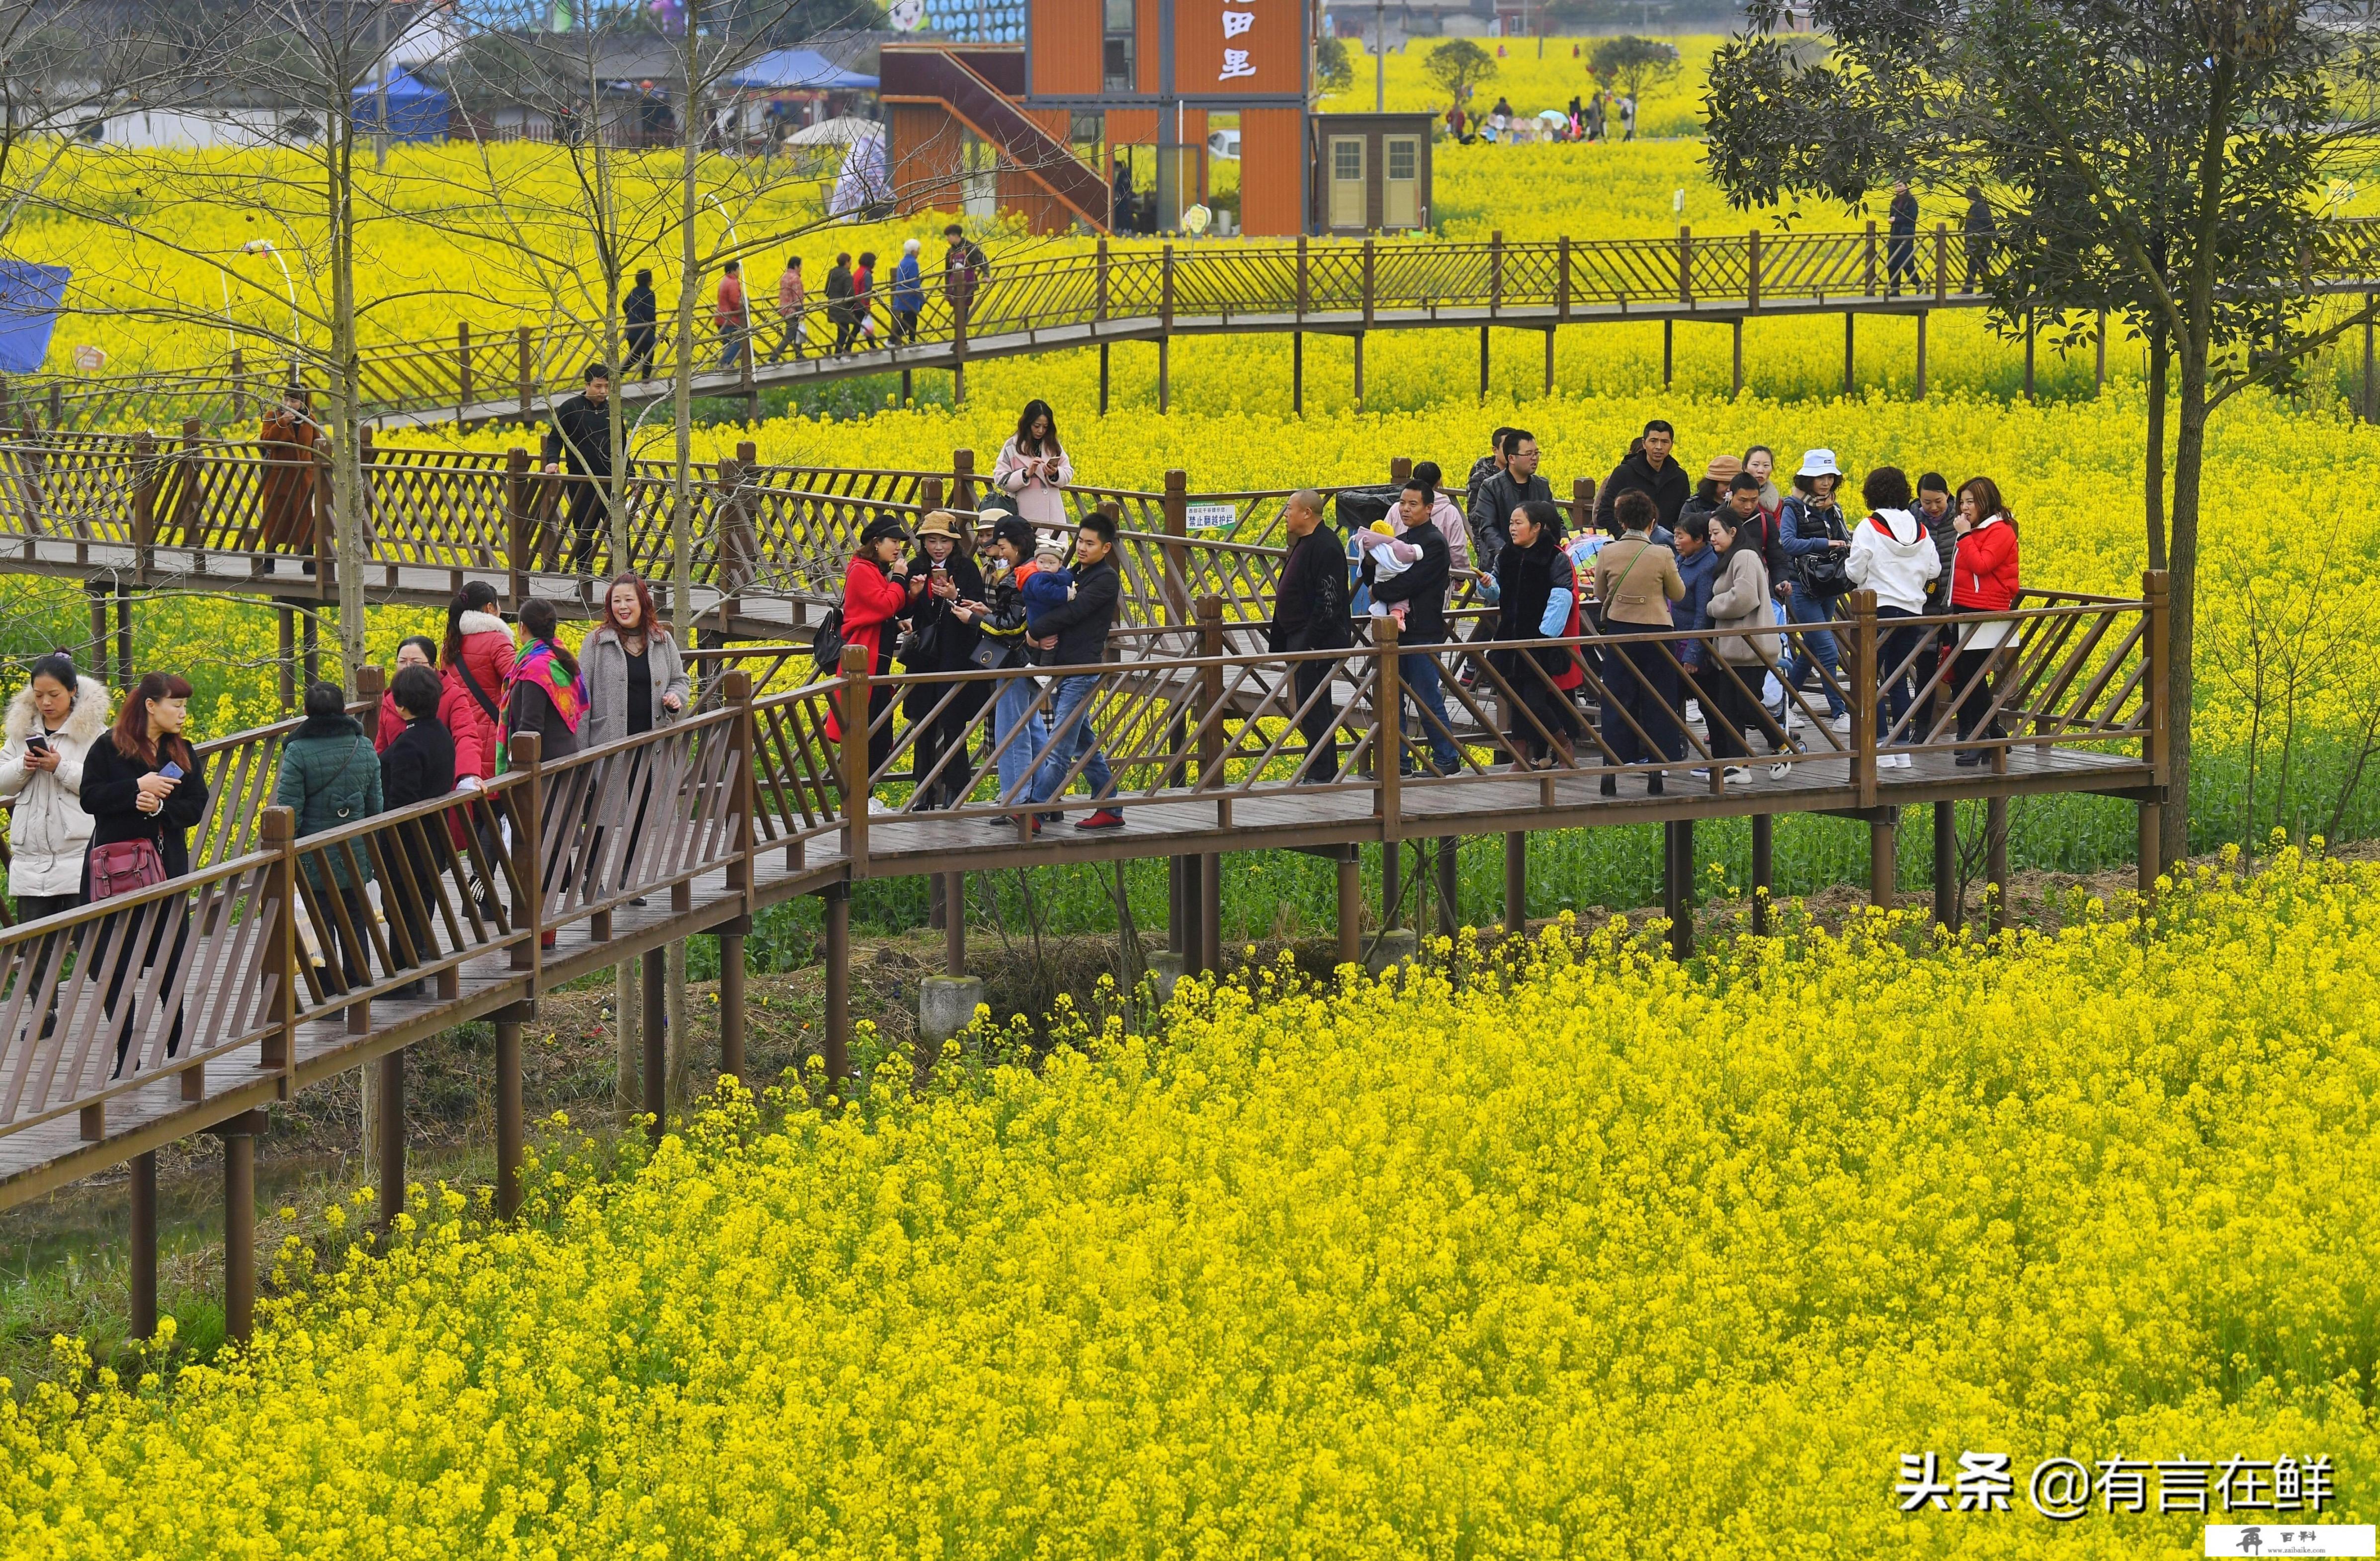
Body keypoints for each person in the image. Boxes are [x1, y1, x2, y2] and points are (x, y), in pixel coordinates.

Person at [82, 672, 209, 1070]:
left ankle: (175, 1052)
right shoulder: (108, 748)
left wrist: (158, 809)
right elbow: (90, 798)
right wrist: (136, 787)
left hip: (165, 868)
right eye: (177, 704)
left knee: (170, 959)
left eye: (186, 705)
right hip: (113, 873)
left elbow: (195, 805)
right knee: (113, 964)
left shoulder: (182, 751)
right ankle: (126, 1056)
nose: (183, 713)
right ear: (151, 705)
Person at [275, 678, 383, 999]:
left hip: (313, 855)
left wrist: (287, 851)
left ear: (307, 712)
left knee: (320, 922)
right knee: (355, 918)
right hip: (355, 851)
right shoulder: (363, 746)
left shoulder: (297, 750)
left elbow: (289, 806)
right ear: (343, 710)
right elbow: (376, 805)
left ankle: (329, 997)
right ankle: (360, 987)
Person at [1025, 512, 1123, 827]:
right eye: (1080, 540)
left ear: (1106, 548)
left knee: (1059, 745)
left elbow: (1074, 611)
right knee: (1085, 745)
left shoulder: (1106, 579)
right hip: (1064, 668)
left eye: (1090, 543)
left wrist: (1035, 631)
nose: (1082, 547)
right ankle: (1110, 808)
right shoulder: (1072, 573)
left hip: (1081, 670)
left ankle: (1034, 810)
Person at [1591, 490, 1687, 795]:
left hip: (1621, 631)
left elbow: (1599, 592)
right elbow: (1678, 594)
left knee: (1618, 697)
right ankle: (1656, 769)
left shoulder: (1608, 552)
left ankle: (1612, 768)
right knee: (1659, 699)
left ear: (1620, 521)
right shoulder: (1662, 553)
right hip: (1657, 633)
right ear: (1652, 522)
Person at [0, 653, 107, 924]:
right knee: (37, 954)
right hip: (31, 863)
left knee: (89, 945)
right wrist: (23, 766)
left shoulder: (95, 733)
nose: (45, 702)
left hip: (79, 857)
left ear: (72, 691)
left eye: (54, 694)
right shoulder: (20, 731)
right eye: (38, 695)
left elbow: (105, 787)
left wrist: (61, 767)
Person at [1845, 466, 1941, 767]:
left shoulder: (1869, 527)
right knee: (1898, 678)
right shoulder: (1920, 529)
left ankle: (1878, 744)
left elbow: (1857, 569)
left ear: (1871, 493)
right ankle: (1901, 748)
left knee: (1868, 676)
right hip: (1911, 611)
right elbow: (1935, 571)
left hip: (1877, 611)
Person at [950, 515, 1043, 820]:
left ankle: (1015, 801)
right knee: (1034, 727)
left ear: (1017, 544)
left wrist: (975, 619)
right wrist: (989, 610)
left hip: (1014, 660)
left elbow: (1010, 627)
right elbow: (1018, 617)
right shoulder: (1040, 570)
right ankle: (1045, 796)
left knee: (1012, 730)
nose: (998, 552)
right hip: (1034, 660)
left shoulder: (1017, 576)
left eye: (1002, 545)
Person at [1371, 481, 1464, 776]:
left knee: (1426, 698)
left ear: (1429, 508)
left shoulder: (1435, 543)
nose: (1405, 509)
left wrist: (1380, 591)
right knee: (1391, 697)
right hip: (1396, 631)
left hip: (1422, 629)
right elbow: (1376, 570)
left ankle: (1447, 758)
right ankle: (1398, 762)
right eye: (1402, 503)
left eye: (1413, 504)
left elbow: (1412, 582)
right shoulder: (1403, 538)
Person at [376, 661, 454, 997]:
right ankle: (415, 973)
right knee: (418, 902)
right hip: (434, 837)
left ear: (400, 704)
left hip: (406, 841)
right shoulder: (440, 733)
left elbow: (402, 798)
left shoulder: (409, 745)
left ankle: (404, 977)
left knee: (400, 904)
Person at [899, 512, 987, 808]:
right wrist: (913, 596)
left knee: (952, 724)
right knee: (922, 723)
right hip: (925, 656)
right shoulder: (916, 568)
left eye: (945, 541)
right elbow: (903, 611)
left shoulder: (967, 569)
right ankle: (924, 790)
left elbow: (977, 610)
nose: (938, 547)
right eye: (932, 541)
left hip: (955, 655)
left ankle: (955, 789)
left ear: (954, 543)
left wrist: (954, 595)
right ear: (923, 542)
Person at [1697, 510, 1791, 782]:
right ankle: (1739, 764)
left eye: (1716, 533)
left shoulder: (1745, 557)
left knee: (1748, 705)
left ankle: (1783, 748)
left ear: (1733, 532)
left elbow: (1745, 598)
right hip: (1733, 649)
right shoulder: (1730, 558)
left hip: (1750, 649)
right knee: (1729, 707)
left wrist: (1712, 607)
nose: (1712, 538)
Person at [1492, 500, 1586, 769]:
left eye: (1518, 523)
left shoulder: (1554, 557)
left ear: (1537, 528)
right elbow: (1497, 591)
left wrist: (1545, 636)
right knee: (1516, 699)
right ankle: (1520, 756)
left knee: (1534, 700)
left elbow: (1562, 597)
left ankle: (1563, 744)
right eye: (1511, 523)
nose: (1512, 528)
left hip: (1538, 642)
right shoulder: (1506, 555)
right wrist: (1488, 585)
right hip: (1509, 637)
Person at [831, 515, 918, 792]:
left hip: (876, 661)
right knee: (864, 731)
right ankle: (858, 797)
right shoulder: (861, 570)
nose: (898, 548)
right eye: (893, 541)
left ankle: (864, 795)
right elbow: (883, 605)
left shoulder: (874, 569)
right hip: (863, 662)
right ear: (876, 542)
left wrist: (909, 598)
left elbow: (887, 611)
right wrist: (901, 579)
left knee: (879, 733)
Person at [1269, 489, 1350, 782]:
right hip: (1301, 638)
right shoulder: (1307, 542)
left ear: (1307, 513)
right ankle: (1319, 766)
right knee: (1309, 705)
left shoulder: (1326, 546)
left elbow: (1328, 600)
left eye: (1290, 508)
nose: (1285, 514)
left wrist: (1311, 641)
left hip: (1316, 642)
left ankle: (1321, 771)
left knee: (1314, 705)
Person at [1778, 448, 1854, 730]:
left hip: (1829, 584)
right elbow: (1787, 543)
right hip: (1802, 585)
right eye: (1820, 477)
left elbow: (1844, 537)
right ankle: (1839, 714)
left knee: (1811, 650)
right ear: (1807, 479)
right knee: (1827, 650)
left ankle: (1783, 707)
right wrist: (1825, 544)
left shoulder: (1833, 508)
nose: (1826, 483)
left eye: (1830, 477)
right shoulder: (1793, 507)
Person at [1948, 476, 2020, 766]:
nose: (1964, 508)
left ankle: (1984, 738)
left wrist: (1964, 536)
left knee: (1974, 676)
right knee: (1965, 675)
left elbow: (1982, 565)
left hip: (1987, 610)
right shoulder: (1973, 530)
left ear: (1986, 501)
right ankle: (1992, 732)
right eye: (1962, 501)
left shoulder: (2000, 531)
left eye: (1971, 502)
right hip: (1965, 607)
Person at [579, 572, 689, 750]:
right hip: (609, 745)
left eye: (629, 600)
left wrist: (675, 697)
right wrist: (581, 757)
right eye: (616, 601)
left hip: (655, 744)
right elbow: (581, 698)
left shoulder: (663, 640)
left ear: (642, 603)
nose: (622, 607)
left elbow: (680, 680)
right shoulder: (596, 643)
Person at [541, 363, 615, 577]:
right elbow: (555, 439)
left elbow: (623, 446)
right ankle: (584, 577)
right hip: (581, 481)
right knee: (584, 529)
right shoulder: (570, 408)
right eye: (598, 386)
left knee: (618, 531)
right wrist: (552, 461)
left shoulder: (613, 409)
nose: (603, 392)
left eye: (607, 387)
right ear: (587, 385)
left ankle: (624, 577)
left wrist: (632, 475)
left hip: (610, 481)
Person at [439, 580, 514, 787]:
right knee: (493, 802)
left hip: (459, 735)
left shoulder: (451, 643)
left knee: (468, 797)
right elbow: (517, 681)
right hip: (491, 738)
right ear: (490, 608)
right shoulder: (497, 641)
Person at [1467, 426, 1548, 575]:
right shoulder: (1491, 487)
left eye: (1537, 453)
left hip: (1537, 564)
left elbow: (1553, 521)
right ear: (1512, 458)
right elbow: (1487, 528)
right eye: (1529, 454)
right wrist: (1508, 555)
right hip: (1500, 564)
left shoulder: (1542, 485)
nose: (1535, 458)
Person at [1598, 418, 1690, 535]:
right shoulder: (1624, 473)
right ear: (1644, 443)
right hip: (1629, 544)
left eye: (1665, 442)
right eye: (1653, 441)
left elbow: (1684, 518)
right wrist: (1626, 538)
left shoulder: (1679, 477)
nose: (1659, 447)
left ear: (1672, 444)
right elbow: (1605, 514)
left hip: (1666, 545)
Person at [256, 388, 319, 558]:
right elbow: (267, 441)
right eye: (285, 400)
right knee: (275, 518)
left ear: (303, 403)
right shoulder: (272, 417)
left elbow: (317, 446)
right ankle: (269, 561)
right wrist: (282, 423)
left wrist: (313, 471)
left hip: (303, 479)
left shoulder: (310, 420)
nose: (288, 405)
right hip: (278, 478)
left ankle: (309, 562)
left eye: (293, 401)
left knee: (305, 518)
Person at [994, 399, 1073, 527]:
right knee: (1027, 546)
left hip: (1052, 515)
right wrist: (1025, 474)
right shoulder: (1012, 446)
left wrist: (1055, 474)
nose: (1041, 431)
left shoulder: (1053, 445)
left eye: (1045, 427)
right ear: (1027, 424)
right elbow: (1000, 479)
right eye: (1037, 426)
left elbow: (1068, 472)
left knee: (1052, 548)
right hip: (1023, 515)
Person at [1408, 459, 1472, 579]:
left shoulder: (1398, 507)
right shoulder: (1450, 511)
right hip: (1437, 579)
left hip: (1400, 576)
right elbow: (1456, 548)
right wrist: (1461, 575)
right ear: (1438, 482)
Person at [374, 635, 439, 753]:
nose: (408, 667)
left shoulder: (451, 695)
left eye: (416, 662)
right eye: (402, 662)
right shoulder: (390, 699)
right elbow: (381, 747)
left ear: (434, 667)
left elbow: (465, 736)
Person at [1916, 472, 1958, 613]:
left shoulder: (1962, 518)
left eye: (1938, 501)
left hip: (1956, 600)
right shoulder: (1911, 521)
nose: (1934, 508)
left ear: (1947, 494)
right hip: (1923, 602)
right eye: (1927, 503)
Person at [1679, 454, 1742, 528]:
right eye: (1725, 484)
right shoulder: (1694, 505)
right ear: (1712, 484)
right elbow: (1682, 530)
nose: (1729, 489)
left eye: (1734, 484)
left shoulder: (1743, 504)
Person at [943, 223, 989, 319]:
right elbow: (948, 272)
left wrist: (986, 275)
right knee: (958, 312)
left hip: (969, 285)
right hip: (954, 287)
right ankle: (961, 331)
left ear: (956, 236)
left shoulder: (970, 248)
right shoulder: (950, 251)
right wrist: (947, 290)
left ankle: (962, 331)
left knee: (963, 311)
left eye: (948, 237)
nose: (947, 239)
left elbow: (982, 260)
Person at [623, 268, 659, 380]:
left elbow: (624, 305)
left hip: (631, 330)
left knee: (635, 356)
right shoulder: (649, 293)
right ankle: (646, 381)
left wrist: (631, 316)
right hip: (645, 331)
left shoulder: (635, 291)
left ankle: (617, 375)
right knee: (649, 355)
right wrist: (652, 324)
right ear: (650, 280)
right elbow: (650, 313)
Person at [1886, 179, 1920, 297]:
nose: (1898, 188)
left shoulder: (1911, 202)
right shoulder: (1894, 201)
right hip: (1894, 235)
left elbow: (1912, 218)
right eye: (1896, 186)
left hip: (1906, 235)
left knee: (1906, 263)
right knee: (1892, 263)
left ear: (1906, 186)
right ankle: (1895, 289)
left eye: (1900, 185)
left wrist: (1896, 220)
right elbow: (1891, 216)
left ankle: (1919, 284)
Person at [713, 259, 749, 371]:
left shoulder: (724, 281)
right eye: (738, 270)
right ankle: (726, 362)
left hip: (721, 317)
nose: (739, 272)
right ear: (733, 271)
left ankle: (727, 365)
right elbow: (734, 302)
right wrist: (744, 307)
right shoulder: (733, 283)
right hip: (730, 319)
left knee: (728, 343)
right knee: (738, 342)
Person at [770, 255, 806, 363]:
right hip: (792, 311)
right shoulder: (795, 279)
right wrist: (801, 312)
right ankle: (773, 358)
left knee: (797, 332)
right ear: (796, 266)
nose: (801, 268)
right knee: (791, 334)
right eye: (800, 265)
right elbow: (798, 297)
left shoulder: (785, 276)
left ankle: (799, 356)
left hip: (784, 309)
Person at [1962, 185, 1995, 293]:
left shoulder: (1980, 207)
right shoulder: (1978, 206)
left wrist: (1993, 235)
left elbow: (1989, 222)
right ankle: (1989, 287)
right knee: (1982, 265)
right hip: (1978, 242)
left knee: (1973, 264)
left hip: (1979, 242)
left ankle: (1968, 289)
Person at [891, 239, 924, 345]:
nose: (919, 252)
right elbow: (915, 283)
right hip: (910, 297)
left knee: (912, 320)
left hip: (903, 296)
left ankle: (912, 342)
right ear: (914, 251)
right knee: (907, 322)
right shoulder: (913, 263)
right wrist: (922, 298)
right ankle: (890, 341)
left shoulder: (903, 261)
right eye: (918, 250)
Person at [825, 252, 857, 355]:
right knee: (844, 332)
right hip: (844, 309)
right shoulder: (847, 276)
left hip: (833, 306)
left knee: (842, 331)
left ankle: (841, 353)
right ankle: (838, 356)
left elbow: (827, 291)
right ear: (847, 263)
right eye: (850, 262)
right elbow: (849, 295)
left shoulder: (832, 273)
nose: (851, 264)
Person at [852, 250, 878, 350]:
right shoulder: (867, 274)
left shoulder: (858, 272)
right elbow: (867, 292)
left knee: (861, 326)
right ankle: (847, 348)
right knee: (858, 327)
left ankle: (873, 346)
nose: (875, 263)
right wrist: (866, 307)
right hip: (861, 305)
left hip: (856, 303)